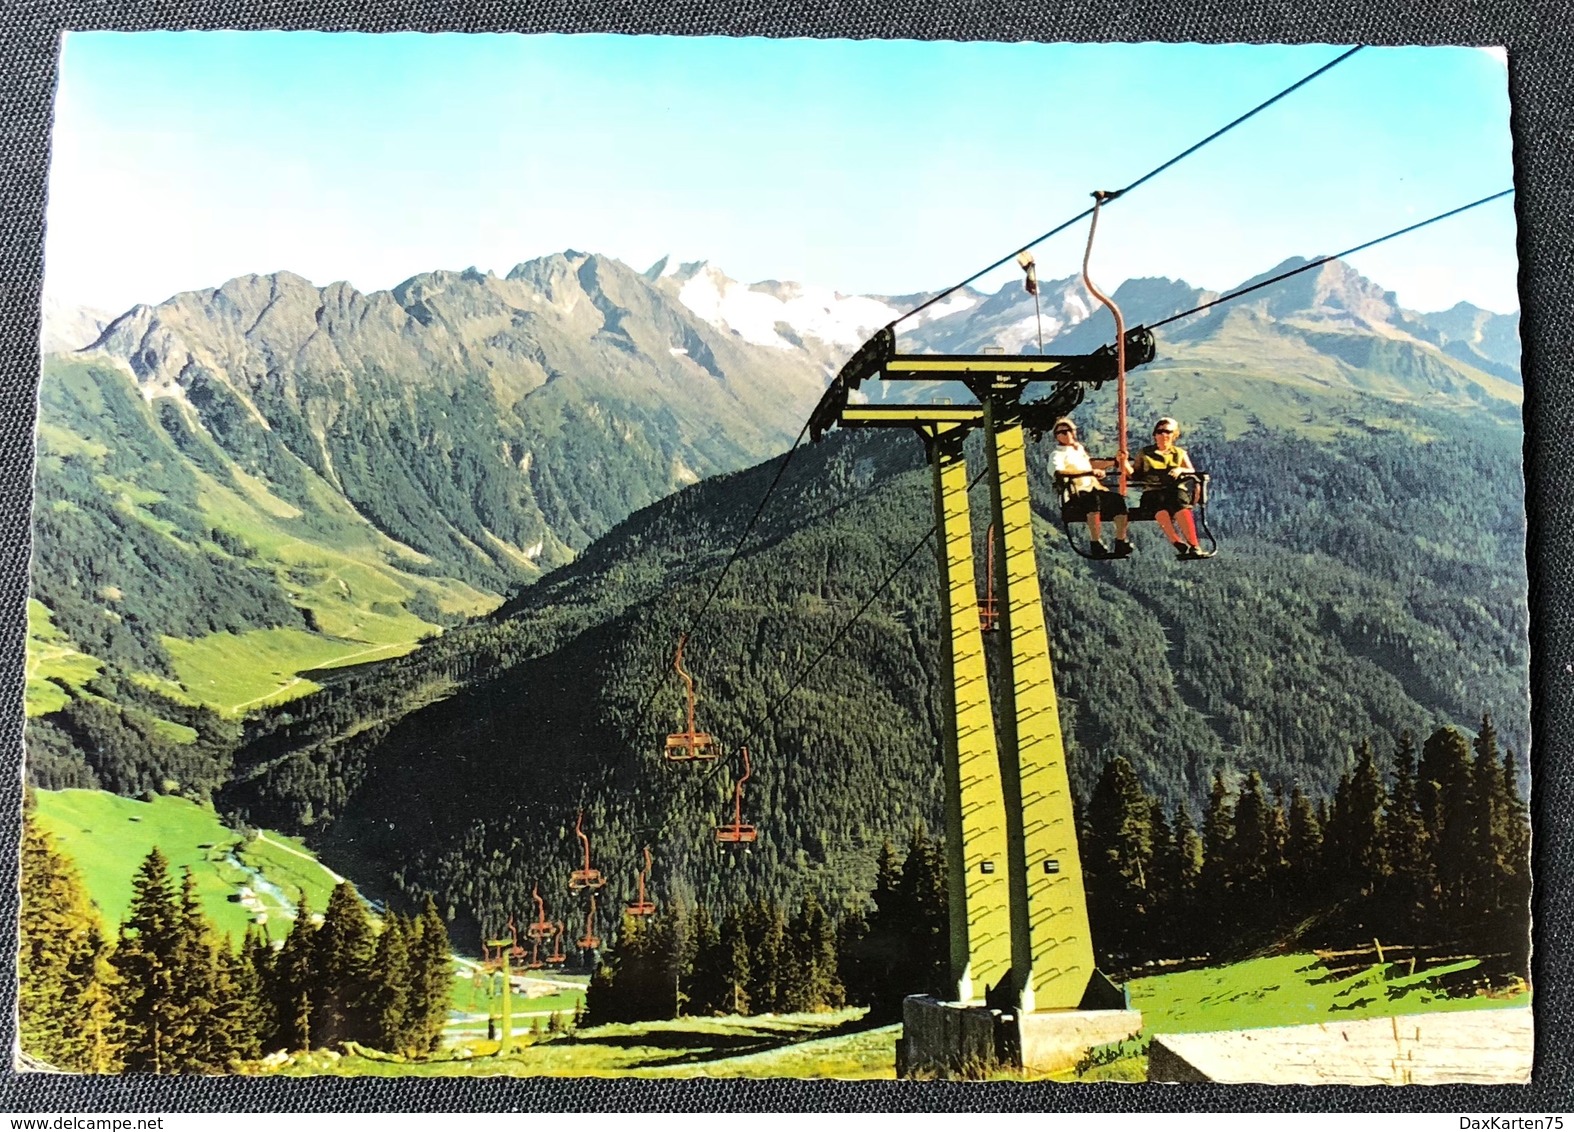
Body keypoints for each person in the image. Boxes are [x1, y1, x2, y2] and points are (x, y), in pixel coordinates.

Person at [1051, 418, 1131, 559]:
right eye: (1062, 432)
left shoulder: (1078, 450)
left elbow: (1090, 464)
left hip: (1093, 489)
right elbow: (1058, 472)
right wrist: (1088, 473)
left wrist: (1113, 462)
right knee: (1092, 501)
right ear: (1056, 436)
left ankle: (1120, 540)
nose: (1067, 434)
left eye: (1070, 430)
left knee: (1118, 501)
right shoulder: (1057, 455)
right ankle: (1095, 542)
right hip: (1075, 492)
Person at [1130, 417, 1207, 559]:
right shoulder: (1145, 453)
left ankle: (1194, 545)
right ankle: (1176, 541)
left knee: (1180, 505)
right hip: (1153, 491)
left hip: (1174, 490)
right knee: (1159, 509)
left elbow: (1191, 470)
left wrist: (1180, 469)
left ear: (1174, 435)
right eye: (1160, 431)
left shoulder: (1179, 453)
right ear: (1155, 434)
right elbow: (1136, 474)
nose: (1163, 435)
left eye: (1168, 432)